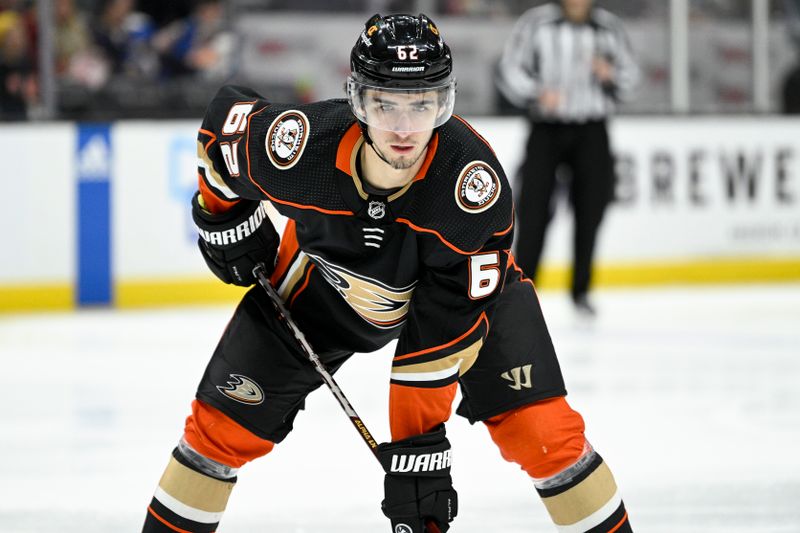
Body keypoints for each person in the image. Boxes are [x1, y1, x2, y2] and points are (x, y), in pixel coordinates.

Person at [142, 13, 633, 533]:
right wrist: (223, 217)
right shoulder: (300, 148)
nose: (404, 129)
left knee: (545, 434)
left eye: (422, 105)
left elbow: (435, 344)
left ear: (444, 102)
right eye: (386, 105)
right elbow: (222, 130)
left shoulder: (471, 191)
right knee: (216, 431)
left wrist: (417, 452)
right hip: (326, 287)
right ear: (358, 100)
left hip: (465, 301)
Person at [497, 0, 639, 316]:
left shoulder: (608, 28)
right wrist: (536, 92)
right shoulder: (536, 24)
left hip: (592, 129)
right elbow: (509, 69)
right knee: (533, 209)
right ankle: (524, 289)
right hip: (546, 129)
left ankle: (581, 291)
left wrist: (610, 74)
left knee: (591, 209)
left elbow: (632, 76)